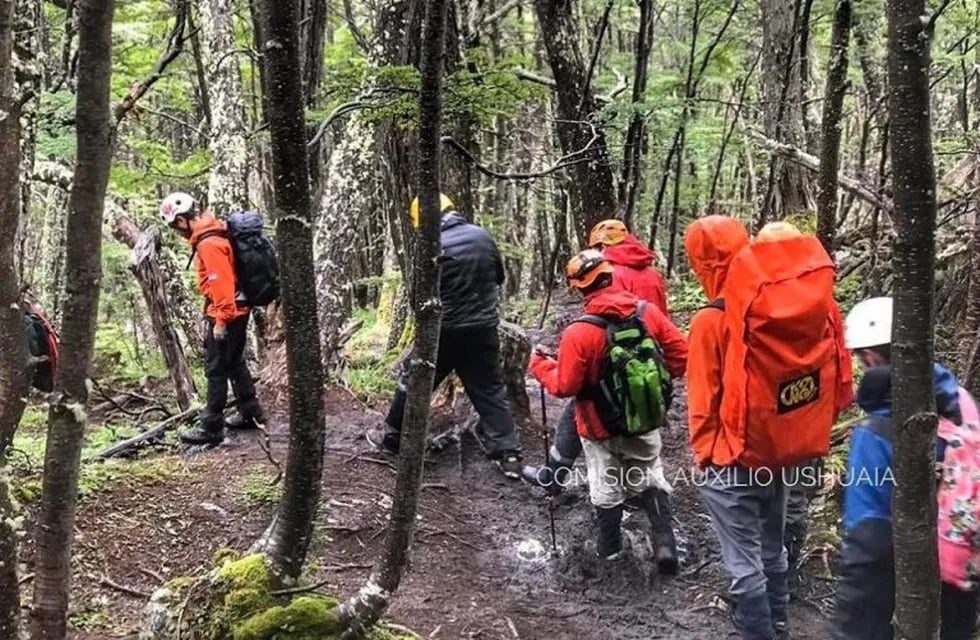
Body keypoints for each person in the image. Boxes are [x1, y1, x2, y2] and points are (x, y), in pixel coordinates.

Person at [685, 215, 851, 640]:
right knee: (772, 548)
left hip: (733, 454)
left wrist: (707, 455)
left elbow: (704, 400)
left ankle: (762, 631)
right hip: (782, 447)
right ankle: (779, 624)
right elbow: (838, 377)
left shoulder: (712, 319)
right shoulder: (810, 305)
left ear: (703, 263)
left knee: (742, 562)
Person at [529, 249, 688, 572]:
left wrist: (540, 367)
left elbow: (565, 386)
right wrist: (648, 387)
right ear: (610, 275)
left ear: (578, 287)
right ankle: (665, 545)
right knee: (648, 475)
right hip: (645, 420)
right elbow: (681, 356)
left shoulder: (580, 332)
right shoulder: (649, 313)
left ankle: (610, 551)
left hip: (598, 426)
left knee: (606, 486)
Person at [835, 297, 979, 640]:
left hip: (901, 572)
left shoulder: (876, 432)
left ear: (869, 357)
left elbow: (868, 530)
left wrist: (853, 618)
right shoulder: (959, 400)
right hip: (963, 563)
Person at [367, 194, 523, 479]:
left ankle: (392, 438)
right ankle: (509, 453)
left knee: (412, 380)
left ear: (424, 219)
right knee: (488, 389)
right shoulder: (482, 237)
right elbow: (498, 277)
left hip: (444, 333)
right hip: (484, 328)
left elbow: (419, 297)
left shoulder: (429, 247)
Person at [522, 219, 669, 492]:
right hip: (647, 361)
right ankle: (642, 495)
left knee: (586, 407)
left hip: (611, 360)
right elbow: (661, 320)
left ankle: (556, 477)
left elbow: (605, 320)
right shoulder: (652, 274)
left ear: (602, 245)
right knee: (640, 420)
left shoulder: (611, 273)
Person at [160, 192, 265, 445]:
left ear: (182, 221)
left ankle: (211, 428)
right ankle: (250, 412)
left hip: (228, 312)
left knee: (215, 369)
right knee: (235, 362)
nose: (178, 232)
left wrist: (220, 320)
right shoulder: (214, 233)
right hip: (237, 309)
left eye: (175, 227)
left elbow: (221, 284)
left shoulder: (209, 243)